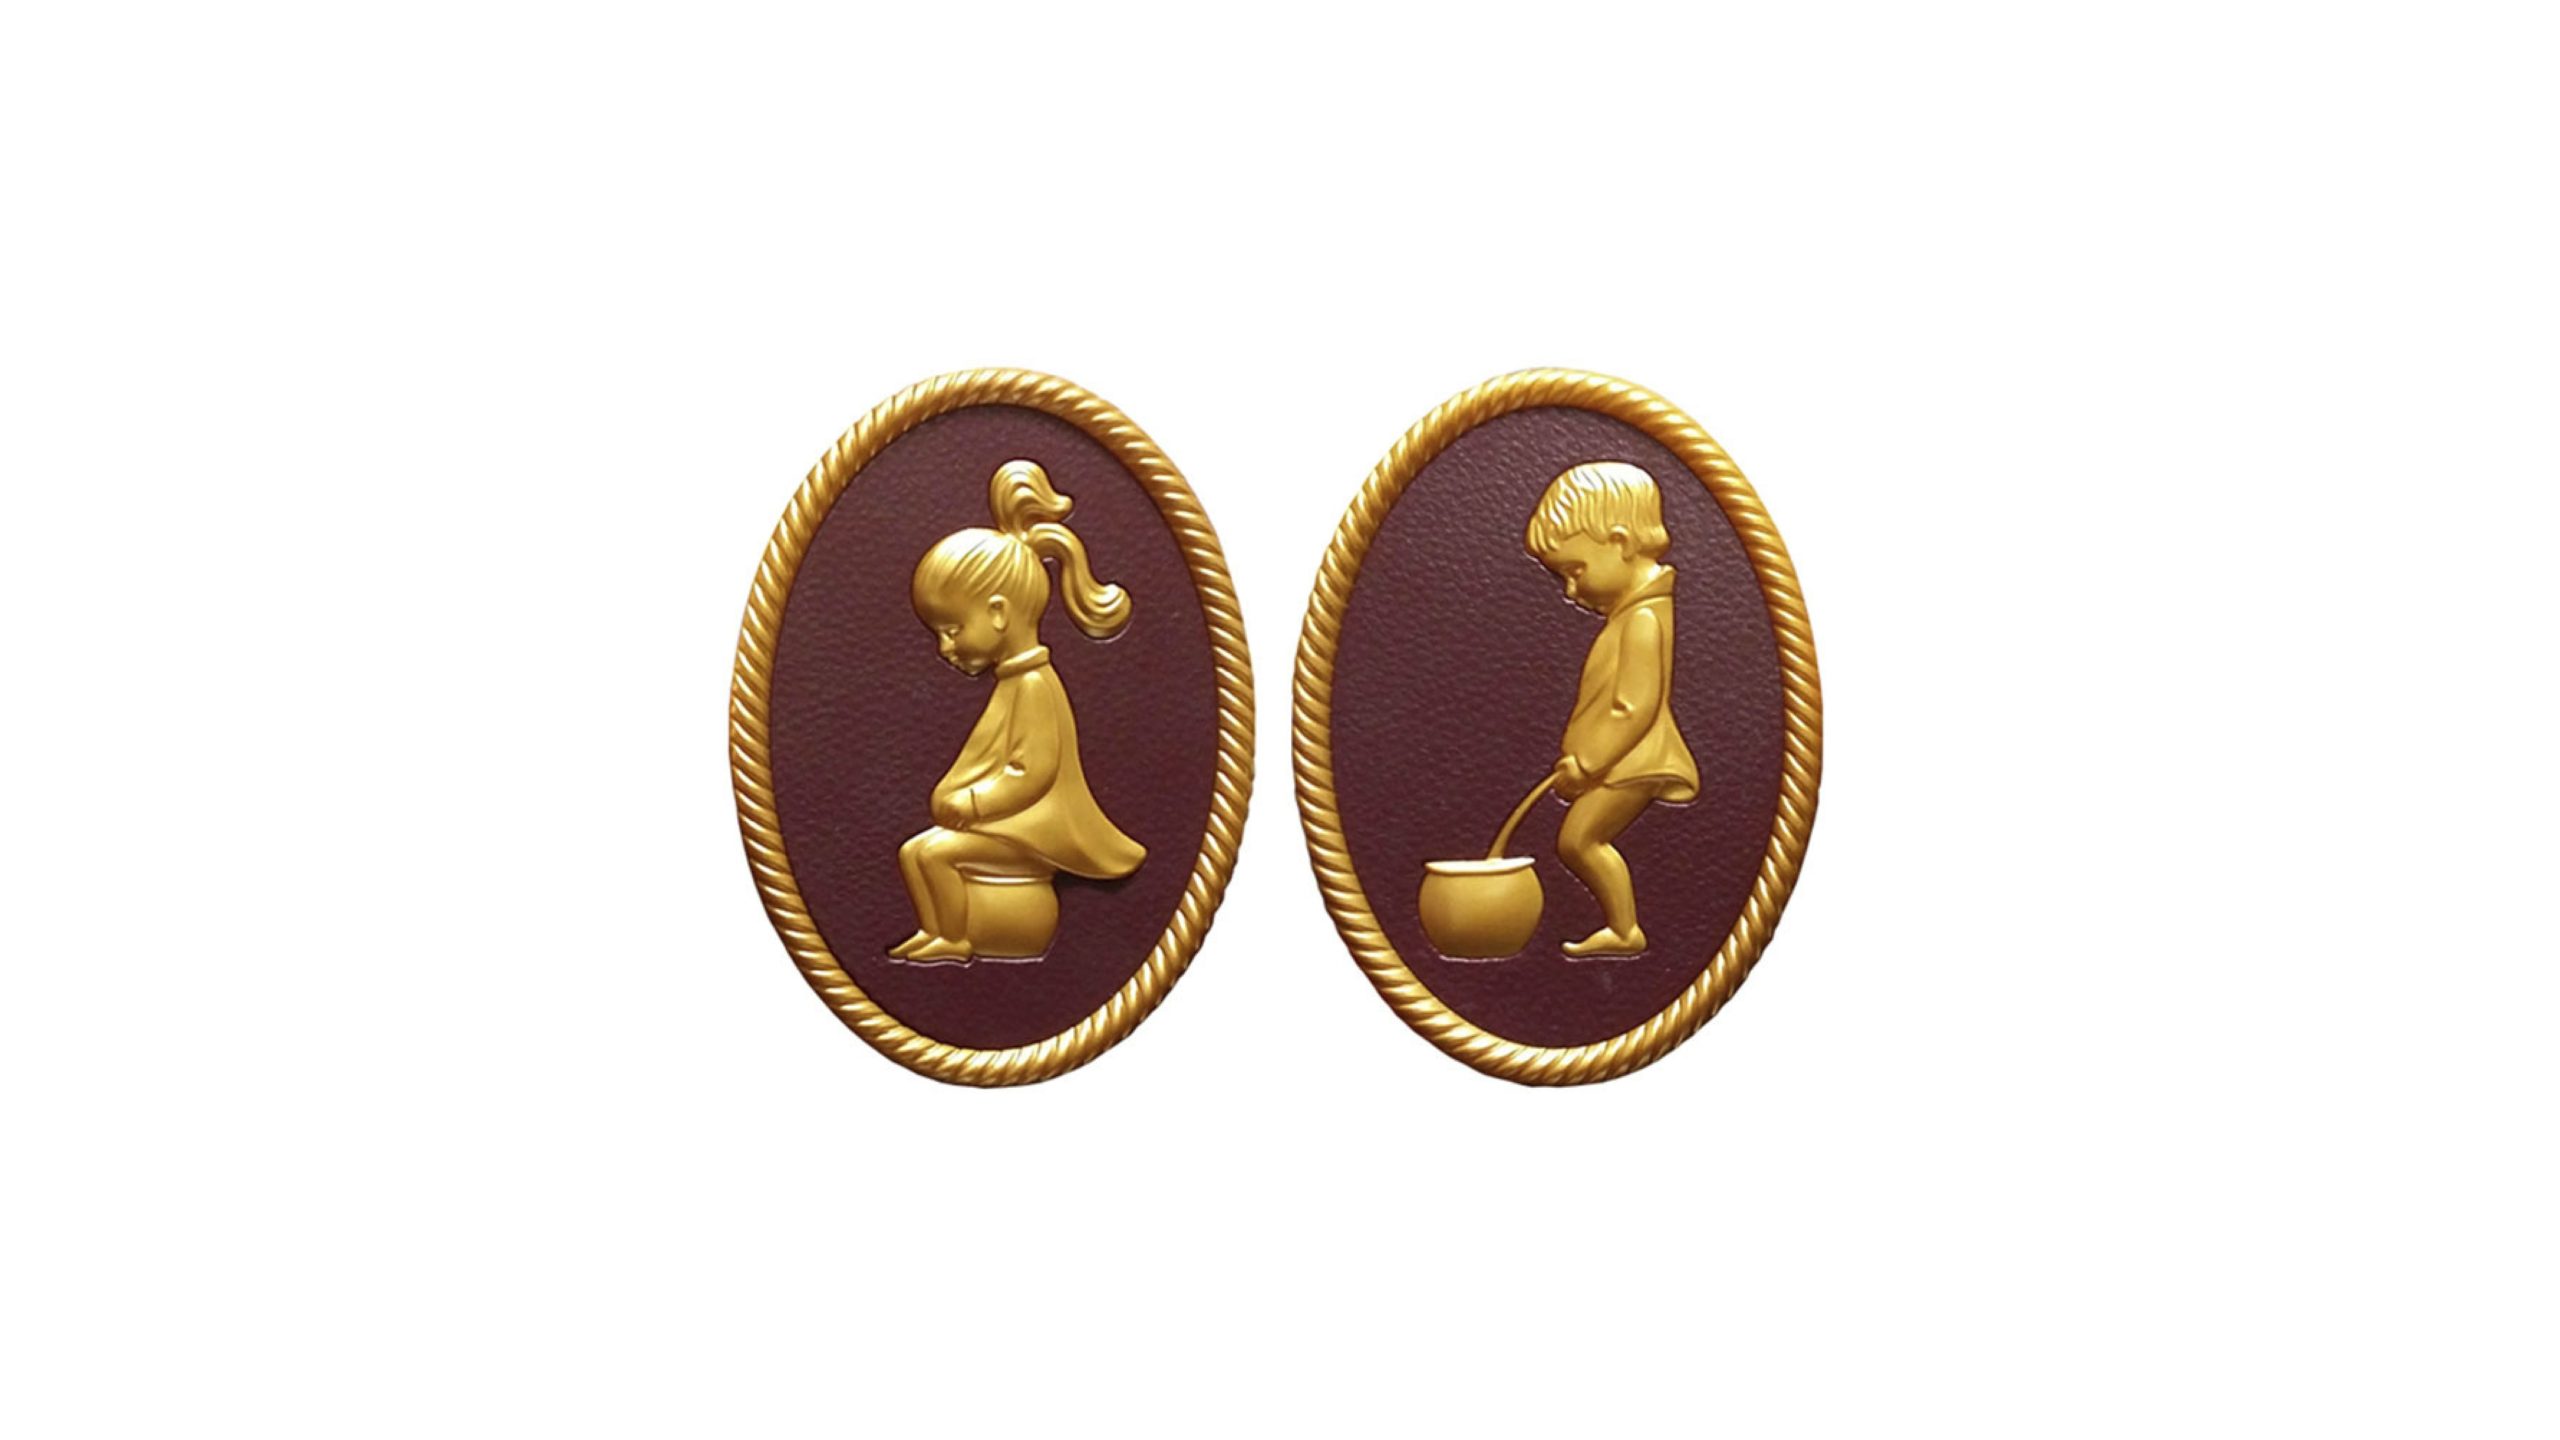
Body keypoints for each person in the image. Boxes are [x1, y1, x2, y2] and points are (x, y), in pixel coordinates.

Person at [892, 460, 1146, 962]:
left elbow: (1030, 772)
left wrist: (974, 803)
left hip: (1029, 830)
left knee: (936, 854)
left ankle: (953, 939)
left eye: (952, 629)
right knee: (913, 850)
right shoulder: (1013, 683)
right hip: (1004, 824)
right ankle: (934, 931)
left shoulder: (1033, 687)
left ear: (998, 613)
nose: (944, 647)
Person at [1524, 461, 1699, 957]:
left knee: (1579, 840)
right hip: (1624, 759)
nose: (1571, 590)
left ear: (1620, 542)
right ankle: (1623, 929)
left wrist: (1588, 762)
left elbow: (1633, 707)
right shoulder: (1637, 613)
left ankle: (1625, 931)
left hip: (1634, 761)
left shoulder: (1642, 620)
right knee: (1578, 840)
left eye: (1575, 570)